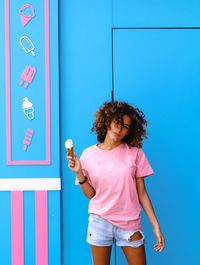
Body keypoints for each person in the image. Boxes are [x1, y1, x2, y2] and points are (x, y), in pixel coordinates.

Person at [67, 101, 165, 265]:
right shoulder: (88, 154)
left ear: (129, 131)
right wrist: (79, 173)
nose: (119, 129)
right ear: (107, 121)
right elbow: (91, 195)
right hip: (99, 221)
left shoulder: (135, 154)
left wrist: (156, 226)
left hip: (129, 223)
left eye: (125, 126)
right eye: (117, 123)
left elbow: (142, 193)